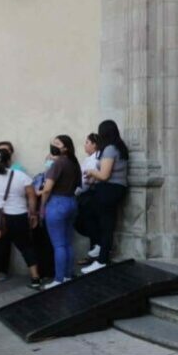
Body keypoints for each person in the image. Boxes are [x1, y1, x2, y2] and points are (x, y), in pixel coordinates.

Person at [0, 148, 41, 296]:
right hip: (17, 216)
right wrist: (33, 214)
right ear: (9, 161)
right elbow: (31, 196)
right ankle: (35, 279)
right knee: (26, 247)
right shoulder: (21, 176)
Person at [82, 121, 129, 274]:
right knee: (104, 221)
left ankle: (102, 258)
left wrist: (91, 172)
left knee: (104, 224)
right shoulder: (119, 148)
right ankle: (101, 249)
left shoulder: (109, 149)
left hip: (109, 190)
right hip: (116, 188)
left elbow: (104, 175)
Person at [39, 135, 81, 289]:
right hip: (71, 201)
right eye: (53, 142)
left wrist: (42, 206)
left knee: (58, 245)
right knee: (68, 243)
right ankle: (68, 275)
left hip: (56, 204)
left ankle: (59, 279)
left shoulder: (58, 164)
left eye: (57, 143)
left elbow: (47, 188)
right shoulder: (74, 163)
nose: (53, 145)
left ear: (66, 148)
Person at [75, 133, 101, 265]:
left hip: (89, 196)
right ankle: (93, 255)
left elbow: (85, 182)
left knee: (91, 226)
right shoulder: (90, 158)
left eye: (87, 142)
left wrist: (76, 193)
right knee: (92, 227)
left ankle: (94, 256)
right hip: (86, 194)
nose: (85, 145)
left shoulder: (94, 160)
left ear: (94, 144)